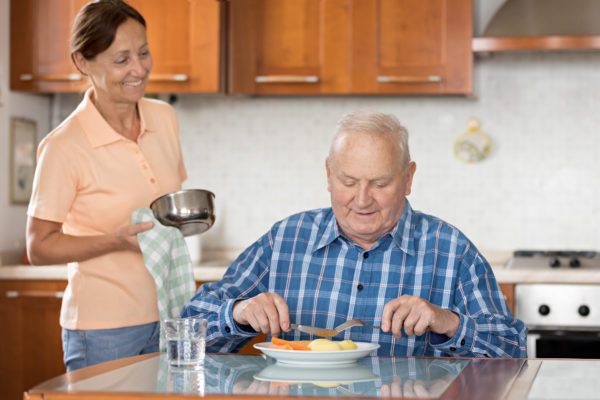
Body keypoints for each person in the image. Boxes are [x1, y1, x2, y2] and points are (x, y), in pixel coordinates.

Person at [182, 110, 527, 358]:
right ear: (329, 174)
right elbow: (188, 330)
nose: (362, 200)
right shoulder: (286, 238)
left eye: (380, 183)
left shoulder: (451, 249)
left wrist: (447, 322)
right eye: (348, 182)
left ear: (408, 179)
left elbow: (512, 350)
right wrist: (238, 313)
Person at [26, 0, 187, 371]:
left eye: (144, 53)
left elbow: (167, 204)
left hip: (168, 315)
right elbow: (39, 247)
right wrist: (115, 241)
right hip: (103, 330)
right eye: (122, 60)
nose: (140, 69)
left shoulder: (164, 118)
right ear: (83, 61)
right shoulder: (64, 146)